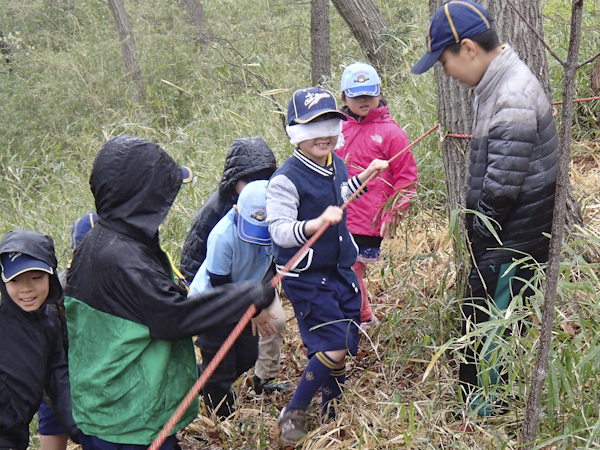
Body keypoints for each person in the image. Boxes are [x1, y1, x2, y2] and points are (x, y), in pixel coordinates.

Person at [64, 135, 275, 450]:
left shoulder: (103, 241)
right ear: (143, 198)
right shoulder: (123, 259)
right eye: (162, 193)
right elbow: (175, 317)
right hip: (127, 417)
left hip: (111, 404)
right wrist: (249, 294)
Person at [411, 0, 558, 416]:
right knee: (485, 321)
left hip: (513, 237)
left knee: (492, 328)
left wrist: (480, 240)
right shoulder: (495, 84)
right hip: (507, 234)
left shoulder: (511, 95)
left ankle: (483, 416)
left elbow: (502, 189)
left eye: (444, 62)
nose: (448, 74)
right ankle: (481, 405)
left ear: (470, 49)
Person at [267, 87, 389, 444]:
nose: (323, 135)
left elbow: (342, 192)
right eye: (311, 127)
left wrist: (366, 174)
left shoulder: (336, 163)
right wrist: (315, 223)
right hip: (306, 276)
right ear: (295, 132)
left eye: (329, 124)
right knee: (333, 343)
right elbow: (279, 230)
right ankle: (292, 413)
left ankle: (331, 410)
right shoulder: (286, 179)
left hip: (339, 269)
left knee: (346, 338)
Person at [181, 137, 289, 395]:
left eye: (264, 178)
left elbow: (274, 260)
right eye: (248, 181)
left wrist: (259, 303)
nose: (256, 187)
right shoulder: (218, 217)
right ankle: (208, 387)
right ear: (234, 183)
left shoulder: (273, 206)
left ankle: (258, 380)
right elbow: (197, 261)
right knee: (219, 358)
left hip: (252, 286)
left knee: (263, 337)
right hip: (218, 294)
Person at [335, 62, 418, 330]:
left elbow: (407, 179)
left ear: (379, 93)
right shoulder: (335, 128)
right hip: (335, 212)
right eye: (356, 95)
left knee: (351, 270)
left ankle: (355, 321)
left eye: (369, 95)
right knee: (341, 268)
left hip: (369, 219)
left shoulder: (392, 133)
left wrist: (395, 214)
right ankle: (365, 315)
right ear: (344, 96)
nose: (363, 101)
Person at [190, 180, 277, 417]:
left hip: (244, 300)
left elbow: (271, 270)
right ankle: (222, 418)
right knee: (219, 365)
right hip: (214, 304)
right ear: (237, 210)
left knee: (249, 355)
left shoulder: (275, 229)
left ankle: (201, 378)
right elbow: (220, 284)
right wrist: (255, 311)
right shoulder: (222, 236)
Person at [0, 229, 78, 450]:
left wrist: (77, 428)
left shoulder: (49, 321)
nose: (26, 288)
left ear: (52, 275)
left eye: (36, 277)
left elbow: (56, 376)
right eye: (15, 280)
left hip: (16, 433)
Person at [37, 212, 97, 450]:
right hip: (59, 380)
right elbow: (51, 367)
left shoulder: (120, 282)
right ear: (75, 252)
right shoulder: (55, 295)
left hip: (98, 383)